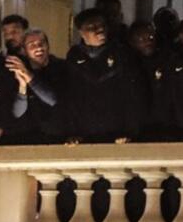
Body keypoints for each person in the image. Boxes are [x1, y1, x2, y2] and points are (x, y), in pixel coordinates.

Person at [59, 8, 142, 144]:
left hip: (117, 131)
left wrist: (130, 131)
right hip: (85, 132)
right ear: (81, 32)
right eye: (93, 27)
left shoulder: (121, 53)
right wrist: (73, 132)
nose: (100, 30)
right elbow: (71, 97)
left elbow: (131, 95)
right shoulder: (75, 55)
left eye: (102, 26)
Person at [6, 28, 62, 139]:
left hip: (56, 135)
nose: (38, 47)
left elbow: (54, 100)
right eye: (32, 45)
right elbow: (17, 113)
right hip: (26, 136)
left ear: (48, 46)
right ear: (24, 50)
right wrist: (22, 85)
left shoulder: (61, 67)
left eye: (42, 43)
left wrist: (27, 75)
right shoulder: (18, 70)